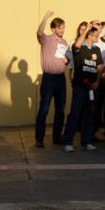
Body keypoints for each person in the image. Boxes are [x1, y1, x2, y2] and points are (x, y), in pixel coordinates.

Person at [62, 24, 103, 151]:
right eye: (96, 36)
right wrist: (85, 31)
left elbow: (99, 67)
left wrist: (97, 81)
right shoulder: (79, 47)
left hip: (91, 88)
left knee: (89, 113)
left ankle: (86, 141)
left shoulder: (96, 49)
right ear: (89, 36)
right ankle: (68, 142)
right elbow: (76, 46)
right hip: (80, 86)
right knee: (75, 113)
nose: (98, 38)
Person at [35, 10, 69, 148]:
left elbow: (67, 60)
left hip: (61, 79)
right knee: (44, 109)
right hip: (49, 79)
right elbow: (38, 32)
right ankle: (39, 138)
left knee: (60, 109)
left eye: (63, 27)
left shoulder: (65, 42)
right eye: (60, 28)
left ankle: (57, 137)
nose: (62, 30)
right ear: (53, 28)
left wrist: (66, 60)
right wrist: (46, 17)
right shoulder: (46, 39)